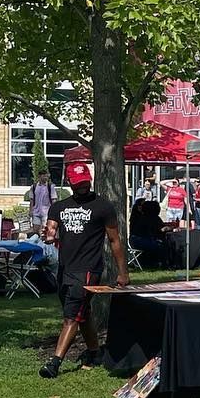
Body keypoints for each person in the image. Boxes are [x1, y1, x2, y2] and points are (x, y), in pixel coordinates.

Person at [39, 150, 127, 379]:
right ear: (70, 183)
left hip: (89, 269)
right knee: (82, 313)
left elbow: (115, 240)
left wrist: (122, 272)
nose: (83, 187)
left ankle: (54, 363)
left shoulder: (103, 207)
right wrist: (47, 234)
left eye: (85, 182)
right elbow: (50, 232)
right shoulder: (59, 207)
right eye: (78, 184)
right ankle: (95, 352)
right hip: (65, 268)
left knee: (71, 316)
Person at [27, 169, 55, 234]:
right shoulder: (34, 187)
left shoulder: (50, 186)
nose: (46, 177)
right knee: (35, 230)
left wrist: (54, 211)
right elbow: (32, 200)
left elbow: (54, 200)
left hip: (46, 212)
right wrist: (30, 210)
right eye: (44, 176)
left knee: (45, 231)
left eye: (47, 176)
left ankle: (43, 243)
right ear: (39, 176)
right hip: (36, 212)